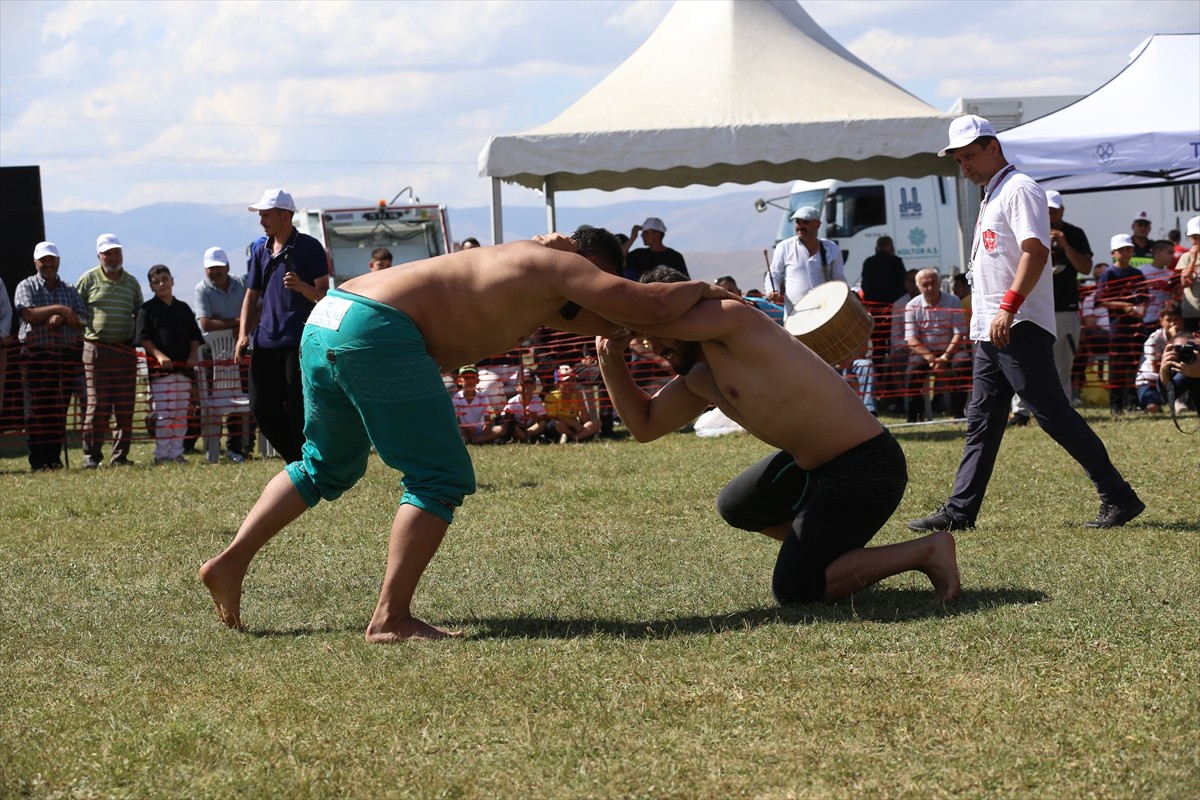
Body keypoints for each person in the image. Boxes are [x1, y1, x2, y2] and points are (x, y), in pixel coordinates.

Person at [198, 227, 735, 642]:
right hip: (378, 328)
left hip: (331, 316)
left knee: (325, 464)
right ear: (583, 258)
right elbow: (648, 306)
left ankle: (229, 563)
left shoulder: (529, 273)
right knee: (439, 477)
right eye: (604, 282)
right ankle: (391, 619)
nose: (603, 294)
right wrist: (718, 294)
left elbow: (623, 323)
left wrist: (634, 333)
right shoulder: (558, 265)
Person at [597, 266, 960, 606]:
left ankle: (926, 551)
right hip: (813, 470)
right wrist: (609, 357)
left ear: (676, 311)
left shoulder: (734, 320)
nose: (653, 346)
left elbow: (658, 308)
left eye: (653, 331)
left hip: (865, 467)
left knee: (796, 589)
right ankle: (831, 553)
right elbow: (644, 426)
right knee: (737, 503)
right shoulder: (697, 375)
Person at [907, 115, 1143, 532]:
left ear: (993, 147)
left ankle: (1118, 496)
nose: (964, 165)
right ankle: (960, 511)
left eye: (970, 155)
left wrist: (1008, 307)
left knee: (1052, 414)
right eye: (958, 159)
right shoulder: (992, 193)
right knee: (981, 421)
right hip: (991, 328)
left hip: (1016, 325)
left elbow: (1036, 252)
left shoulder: (1020, 189)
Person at [237, 189, 329, 464]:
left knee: (299, 407)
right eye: (261, 215)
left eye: (266, 214)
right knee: (260, 406)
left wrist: (302, 287)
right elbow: (251, 294)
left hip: (299, 341)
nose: (262, 220)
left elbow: (324, 294)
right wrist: (243, 334)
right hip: (264, 341)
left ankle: (304, 463)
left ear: (285, 215)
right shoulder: (259, 248)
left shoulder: (310, 247)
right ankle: (295, 460)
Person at [1009, 189, 1092, 425]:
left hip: (1064, 307)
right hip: (1031, 306)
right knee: (1024, 360)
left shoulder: (1074, 233)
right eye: (1044, 211)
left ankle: (1062, 412)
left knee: (1062, 363)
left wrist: (1065, 244)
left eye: (1053, 212)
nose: (1048, 216)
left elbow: (1085, 267)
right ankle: (1021, 412)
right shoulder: (1026, 230)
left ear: (1062, 211)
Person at [14, 243, 87, 471]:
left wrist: (63, 318)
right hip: (35, 355)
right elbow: (28, 313)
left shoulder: (69, 288)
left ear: (58, 261)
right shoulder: (26, 285)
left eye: (52, 259)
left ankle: (54, 459)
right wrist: (61, 310)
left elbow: (82, 318)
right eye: (43, 260)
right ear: (36, 262)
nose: (48, 264)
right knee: (37, 409)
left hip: (64, 354)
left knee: (59, 407)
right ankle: (38, 460)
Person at [76, 233, 143, 468]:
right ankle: (91, 455)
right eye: (108, 253)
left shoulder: (132, 283)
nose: (113, 257)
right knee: (97, 404)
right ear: (99, 256)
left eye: (116, 252)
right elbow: (77, 310)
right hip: (96, 350)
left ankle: (120, 457)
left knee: (125, 405)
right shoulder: (87, 280)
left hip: (125, 350)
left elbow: (139, 312)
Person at [137, 265, 205, 464]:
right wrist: (159, 356)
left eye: (165, 279)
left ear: (172, 281)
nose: (161, 284)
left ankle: (177, 453)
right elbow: (143, 338)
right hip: (161, 373)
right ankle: (161, 454)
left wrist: (193, 355)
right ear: (150, 286)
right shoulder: (146, 310)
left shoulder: (183, 308)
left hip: (183, 371)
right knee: (165, 415)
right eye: (156, 282)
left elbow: (194, 336)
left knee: (181, 414)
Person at [195, 246, 252, 462]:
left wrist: (244, 329)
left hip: (243, 351)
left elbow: (258, 308)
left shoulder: (241, 284)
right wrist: (239, 323)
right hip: (214, 356)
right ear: (205, 269)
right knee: (215, 403)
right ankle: (212, 448)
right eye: (211, 268)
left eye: (219, 267)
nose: (215, 272)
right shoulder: (202, 289)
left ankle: (236, 448)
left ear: (227, 267)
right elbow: (206, 323)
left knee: (241, 400)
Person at [904, 268, 967, 422]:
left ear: (939, 283)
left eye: (933, 283)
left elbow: (959, 333)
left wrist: (945, 356)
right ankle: (915, 416)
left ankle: (958, 413)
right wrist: (931, 358)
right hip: (925, 353)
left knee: (963, 362)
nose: (930, 288)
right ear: (918, 287)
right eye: (925, 285)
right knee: (913, 369)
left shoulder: (954, 301)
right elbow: (911, 340)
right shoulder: (912, 305)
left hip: (951, 351)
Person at [1097, 234, 1149, 416]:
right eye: (1121, 250)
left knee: (1134, 363)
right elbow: (1100, 300)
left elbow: (1145, 297)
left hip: (1136, 327)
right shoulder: (1108, 273)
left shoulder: (1137, 274)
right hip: (1118, 328)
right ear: (1113, 253)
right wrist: (1125, 306)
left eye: (1128, 249)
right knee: (1117, 366)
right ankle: (1116, 404)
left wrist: (1140, 307)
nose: (1126, 253)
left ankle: (1133, 403)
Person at [765, 206, 845, 319]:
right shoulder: (784, 247)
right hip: (795, 316)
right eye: (798, 222)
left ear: (817, 224)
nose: (801, 226)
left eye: (806, 222)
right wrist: (773, 291)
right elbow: (774, 275)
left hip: (824, 314)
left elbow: (839, 280)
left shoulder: (831, 248)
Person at [1135, 302, 1183, 414]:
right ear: (1161, 320)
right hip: (1150, 380)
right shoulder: (1154, 339)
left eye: (1176, 319)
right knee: (1152, 408)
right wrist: (1173, 340)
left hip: (1176, 379)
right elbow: (1157, 368)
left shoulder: (1186, 337)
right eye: (1168, 320)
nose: (1172, 324)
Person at [544, 364, 600, 443]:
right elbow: (552, 418)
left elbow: (585, 419)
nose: (571, 384)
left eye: (573, 380)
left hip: (574, 426)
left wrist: (581, 401)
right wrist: (573, 424)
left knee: (596, 423)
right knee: (557, 424)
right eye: (567, 381)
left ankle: (572, 438)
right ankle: (581, 436)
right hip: (559, 426)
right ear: (557, 385)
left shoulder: (576, 396)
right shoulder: (551, 396)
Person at [451, 365, 506, 444]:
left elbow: (488, 419)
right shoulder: (456, 399)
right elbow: (457, 421)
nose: (469, 381)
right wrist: (467, 429)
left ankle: (474, 440)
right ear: (459, 381)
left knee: (502, 429)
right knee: (457, 432)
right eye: (466, 378)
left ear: (477, 380)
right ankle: (478, 440)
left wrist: (485, 429)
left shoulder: (482, 397)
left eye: (472, 377)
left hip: (480, 429)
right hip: (464, 430)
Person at [624, 217, 688, 280]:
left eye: (646, 232)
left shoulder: (675, 257)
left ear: (656, 234)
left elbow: (685, 282)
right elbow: (619, 258)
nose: (642, 235)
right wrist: (632, 238)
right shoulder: (638, 255)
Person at [502, 368, 548, 442]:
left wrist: (534, 416)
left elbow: (543, 418)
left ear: (535, 386)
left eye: (530, 382)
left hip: (530, 427)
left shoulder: (537, 400)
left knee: (542, 423)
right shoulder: (512, 401)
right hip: (517, 428)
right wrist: (510, 417)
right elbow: (504, 417)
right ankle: (525, 438)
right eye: (523, 382)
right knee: (510, 424)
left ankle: (523, 437)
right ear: (517, 387)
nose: (527, 385)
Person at [715, 275, 783, 324]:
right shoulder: (715, 313)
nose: (728, 294)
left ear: (739, 291)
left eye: (730, 290)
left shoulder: (758, 303)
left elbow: (783, 314)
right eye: (724, 292)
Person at [1175, 215, 1199, 333]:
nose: (1197, 240)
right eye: (1194, 237)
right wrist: (1193, 261)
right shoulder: (1186, 257)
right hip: (1191, 313)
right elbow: (1184, 283)